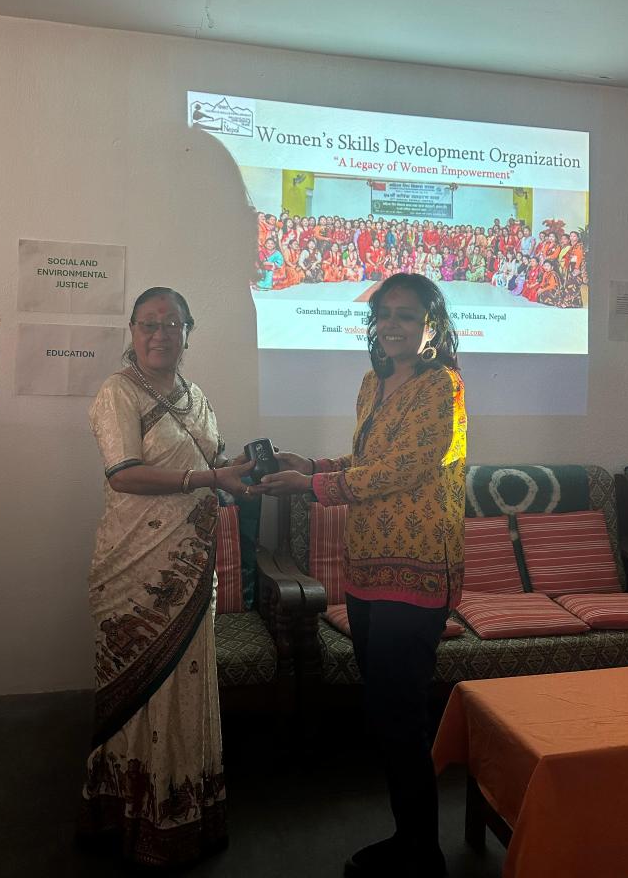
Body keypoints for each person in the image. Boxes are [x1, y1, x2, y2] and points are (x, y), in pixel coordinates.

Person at [253, 273, 467, 878]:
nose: (393, 324)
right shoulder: (373, 381)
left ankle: (422, 854)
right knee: (383, 710)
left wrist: (313, 485)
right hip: (367, 565)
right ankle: (408, 839)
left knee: (401, 715)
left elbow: (405, 469)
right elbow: (370, 461)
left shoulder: (442, 386)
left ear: (430, 324)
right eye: (385, 314)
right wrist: (312, 463)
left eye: (407, 314)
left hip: (418, 570)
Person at [78, 287, 253, 870]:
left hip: (192, 561)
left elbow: (212, 462)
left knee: (189, 679)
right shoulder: (118, 392)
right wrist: (207, 481)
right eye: (148, 324)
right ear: (132, 331)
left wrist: (234, 475)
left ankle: (183, 809)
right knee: (139, 685)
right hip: (136, 564)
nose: (160, 334)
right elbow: (123, 475)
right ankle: (127, 812)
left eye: (172, 324)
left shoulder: (195, 395)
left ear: (187, 332)